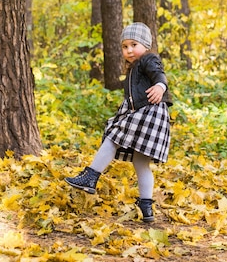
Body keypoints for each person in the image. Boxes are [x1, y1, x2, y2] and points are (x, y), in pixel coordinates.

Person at [65, 22, 172, 223]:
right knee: (141, 163)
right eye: (125, 46)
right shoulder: (134, 67)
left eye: (134, 44)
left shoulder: (149, 59)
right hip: (145, 113)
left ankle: (91, 176)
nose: (129, 50)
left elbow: (159, 73)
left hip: (147, 112)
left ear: (146, 46)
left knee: (113, 138)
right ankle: (146, 205)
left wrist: (160, 85)